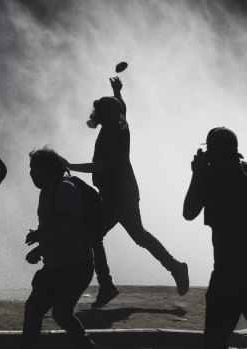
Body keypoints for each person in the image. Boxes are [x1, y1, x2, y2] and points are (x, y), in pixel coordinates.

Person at [64, 76, 189, 308]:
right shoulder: (121, 125)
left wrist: (69, 166)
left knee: (93, 235)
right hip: (126, 191)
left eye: (98, 112)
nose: (95, 115)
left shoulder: (108, 136)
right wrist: (117, 92)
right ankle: (175, 267)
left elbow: (98, 166)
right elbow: (122, 108)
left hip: (114, 195)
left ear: (105, 116)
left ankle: (106, 285)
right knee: (139, 235)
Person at [183, 127, 247, 349]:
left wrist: (197, 174)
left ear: (211, 151)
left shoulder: (211, 176)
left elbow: (188, 212)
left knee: (215, 340)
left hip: (229, 274)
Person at [21, 147, 96, 349]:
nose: (31, 174)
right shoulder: (48, 191)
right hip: (54, 267)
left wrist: (41, 236)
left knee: (61, 313)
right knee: (33, 310)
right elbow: (56, 227)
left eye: (35, 169)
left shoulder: (63, 188)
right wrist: (40, 248)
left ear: (47, 170)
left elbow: (73, 221)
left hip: (76, 266)